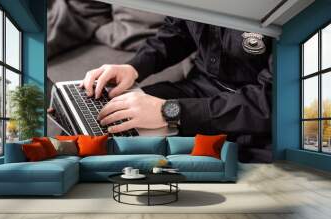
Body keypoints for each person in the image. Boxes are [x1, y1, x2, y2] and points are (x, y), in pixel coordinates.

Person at [80, 17, 273, 162]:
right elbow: (178, 32)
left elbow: (274, 100)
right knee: (109, 116)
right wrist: (133, 67)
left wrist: (169, 111)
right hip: (196, 90)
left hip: (259, 121)